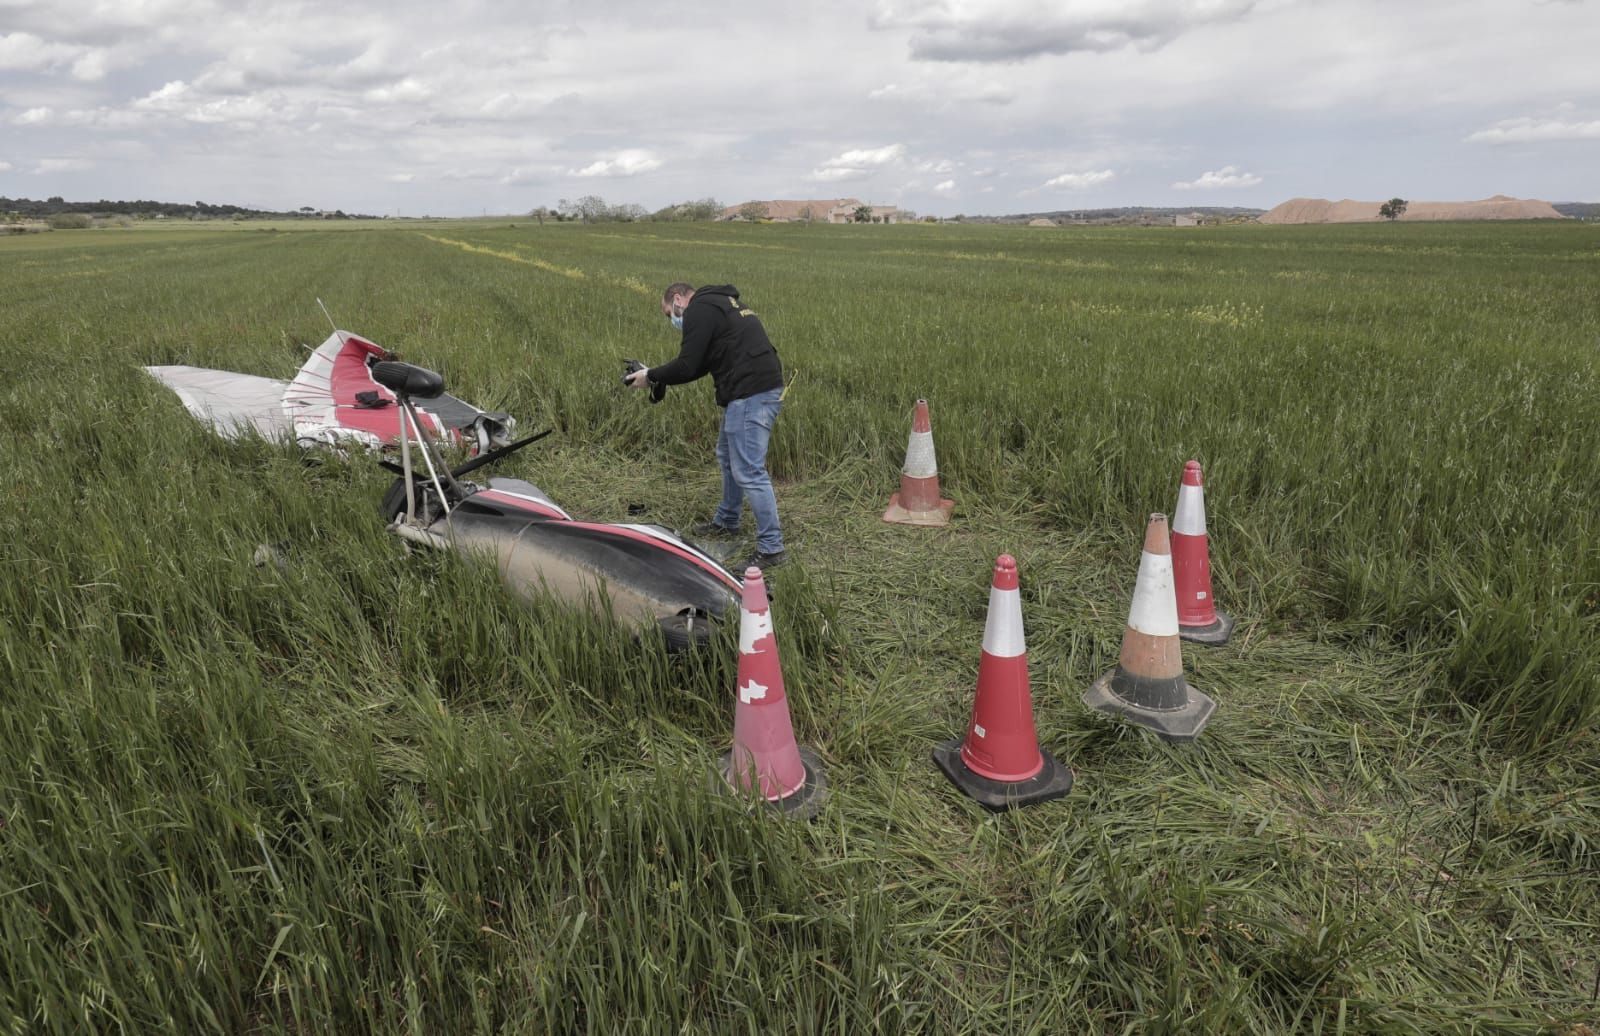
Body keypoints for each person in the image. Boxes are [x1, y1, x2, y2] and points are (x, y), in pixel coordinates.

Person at [625, 282, 787, 568]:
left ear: (678, 299)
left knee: (749, 470)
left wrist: (650, 376)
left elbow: (687, 365)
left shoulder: (699, 308)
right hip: (747, 389)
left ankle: (772, 548)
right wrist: (657, 376)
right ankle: (727, 521)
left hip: (752, 392)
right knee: (727, 458)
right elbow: (698, 365)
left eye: (669, 314)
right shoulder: (719, 305)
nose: (672, 320)